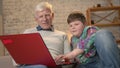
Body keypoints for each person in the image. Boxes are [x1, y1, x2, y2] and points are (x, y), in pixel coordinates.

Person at [55, 11, 120, 68]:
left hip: (96, 61)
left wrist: (69, 55)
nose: (73, 27)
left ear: (84, 24)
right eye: (70, 25)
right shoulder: (73, 39)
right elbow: (76, 58)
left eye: (76, 24)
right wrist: (64, 60)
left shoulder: (90, 30)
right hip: (83, 65)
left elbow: (83, 45)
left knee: (102, 33)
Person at [17, 2, 71, 68]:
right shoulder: (27, 32)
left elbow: (69, 59)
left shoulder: (62, 35)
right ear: (36, 19)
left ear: (52, 16)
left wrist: (62, 60)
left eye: (47, 15)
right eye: (41, 16)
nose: (44, 19)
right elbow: (18, 58)